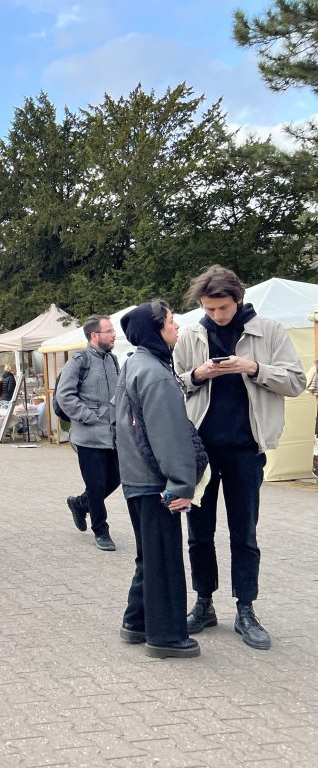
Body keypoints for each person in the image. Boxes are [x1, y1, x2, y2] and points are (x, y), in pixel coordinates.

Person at [173, 265, 306, 650]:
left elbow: (296, 381)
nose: (217, 315)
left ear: (239, 299)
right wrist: (197, 375)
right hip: (200, 452)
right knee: (198, 533)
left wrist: (254, 368)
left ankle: (246, 609)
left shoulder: (269, 331)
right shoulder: (192, 335)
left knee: (244, 532)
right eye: (210, 309)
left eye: (223, 308)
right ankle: (204, 603)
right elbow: (173, 384)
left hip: (246, 449)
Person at [115, 300, 203, 658]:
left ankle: (136, 622)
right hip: (155, 482)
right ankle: (165, 636)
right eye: (170, 321)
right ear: (155, 330)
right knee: (164, 559)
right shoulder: (155, 372)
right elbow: (169, 435)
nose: (176, 326)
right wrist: (181, 485)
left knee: (149, 555)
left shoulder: (134, 364)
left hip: (136, 476)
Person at [56, 315, 121, 551]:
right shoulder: (79, 361)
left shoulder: (113, 360)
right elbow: (64, 395)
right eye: (109, 331)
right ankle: (101, 530)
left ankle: (80, 504)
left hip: (113, 435)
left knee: (116, 478)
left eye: (113, 331)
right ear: (94, 335)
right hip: (88, 436)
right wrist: (88, 416)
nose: (113, 335)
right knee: (96, 484)